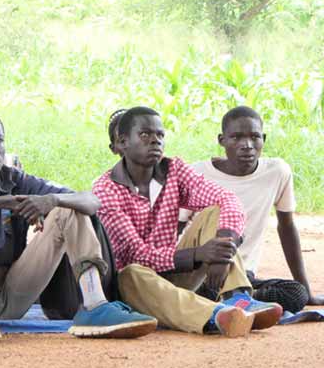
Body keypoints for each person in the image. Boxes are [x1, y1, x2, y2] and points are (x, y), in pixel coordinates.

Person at [0, 108, 157, 342]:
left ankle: (95, 304)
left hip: (9, 296)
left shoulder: (17, 179)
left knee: (69, 208)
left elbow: (92, 201)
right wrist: (6, 202)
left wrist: (52, 200)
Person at [93, 106, 284, 337]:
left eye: (160, 135)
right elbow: (137, 254)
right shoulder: (105, 190)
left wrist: (222, 251)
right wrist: (199, 254)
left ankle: (239, 299)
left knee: (214, 211)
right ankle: (215, 315)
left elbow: (227, 199)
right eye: (145, 135)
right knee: (131, 272)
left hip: (174, 272)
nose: (155, 141)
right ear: (122, 143)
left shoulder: (174, 170)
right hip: (134, 288)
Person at [187, 106, 321, 311]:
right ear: (221, 140)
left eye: (254, 137)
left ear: (263, 139)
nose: (247, 145)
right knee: (214, 216)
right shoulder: (197, 174)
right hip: (201, 273)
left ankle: (238, 299)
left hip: (243, 275)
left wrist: (307, 291)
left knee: (296, 293)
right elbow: (177, 230)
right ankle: (232, 302)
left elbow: (286, 227)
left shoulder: (276, 172)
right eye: (236, 138)